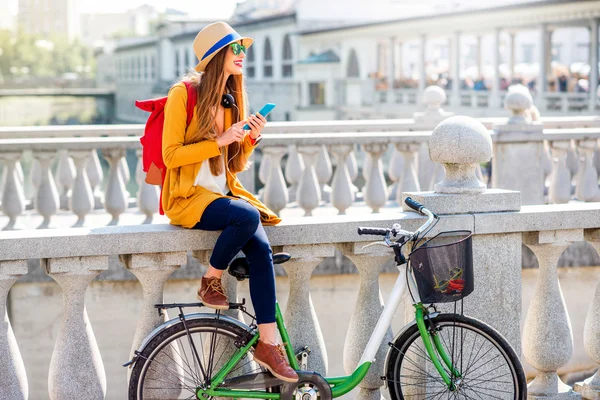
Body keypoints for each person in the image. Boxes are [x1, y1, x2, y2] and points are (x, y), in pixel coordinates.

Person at [161, 21, 298, 383]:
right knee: (246, 215)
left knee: (261, 250)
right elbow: (171, 155)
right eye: (235, 49)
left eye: (244, 49)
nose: (242, 55)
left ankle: (268, 343)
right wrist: (220, 139)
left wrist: (248, 138)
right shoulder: (183, 93)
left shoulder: (231, 97)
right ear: (216, 55)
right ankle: (210, 279)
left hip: (221, 195)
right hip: (188, 197)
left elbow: (233, 163)